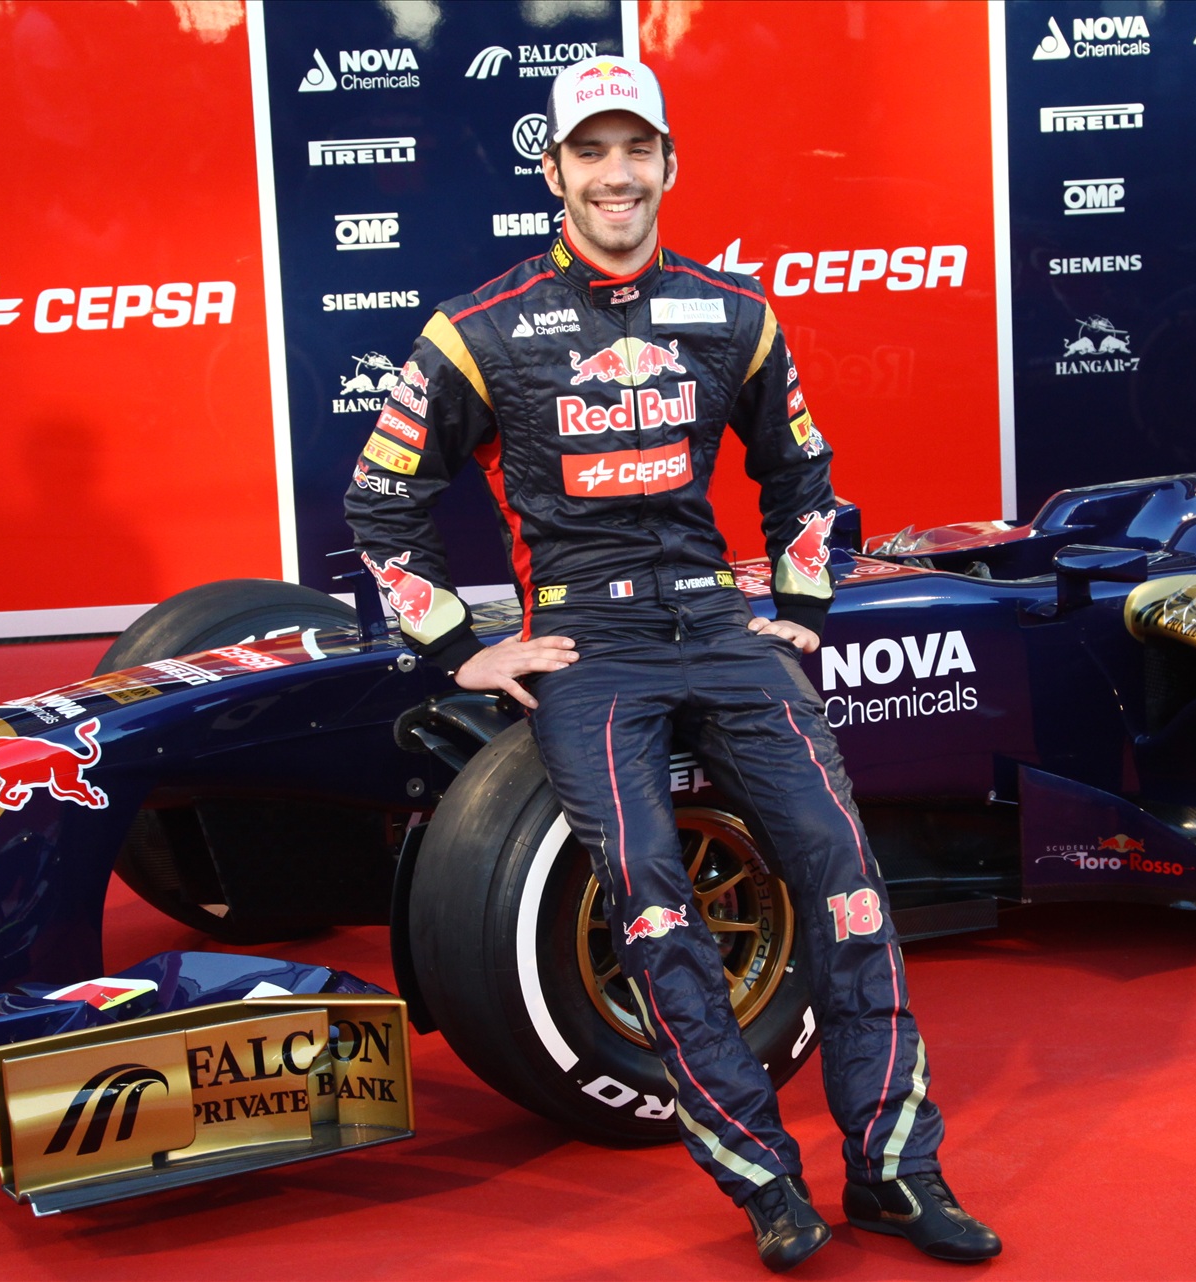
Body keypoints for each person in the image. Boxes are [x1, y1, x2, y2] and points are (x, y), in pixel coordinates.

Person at [343, 55, 1000, 1272]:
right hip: (588, 645)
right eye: (590, 152)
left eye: (635, 149)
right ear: (554, 172)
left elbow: (801, 474)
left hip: (720, 624)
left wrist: (801, 603)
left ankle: (897, 1171)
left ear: (668, 165)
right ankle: (764, 1180)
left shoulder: (734, 312)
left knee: (849, 881)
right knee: (651, 901)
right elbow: (381, 498)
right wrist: (458, 649)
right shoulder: (477, 329)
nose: (616, 174)